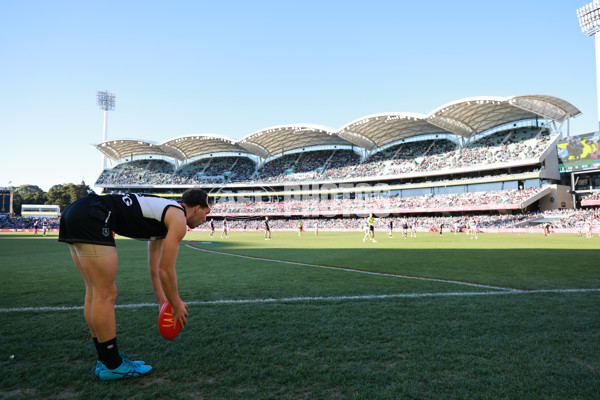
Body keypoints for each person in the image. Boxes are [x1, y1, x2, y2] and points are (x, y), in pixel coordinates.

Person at [58, 188, 211, 381]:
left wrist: (163, 303)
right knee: (106, 292)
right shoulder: (178, 219)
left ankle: (106, 360)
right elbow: (166, 269)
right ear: (197, 209)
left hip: (79, 211)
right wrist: (176, 305)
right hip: (93, 214)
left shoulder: (166, 214)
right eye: (206, 213)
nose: (205, 219)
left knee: (95, 290)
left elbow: (155, 268)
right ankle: (112, 365)